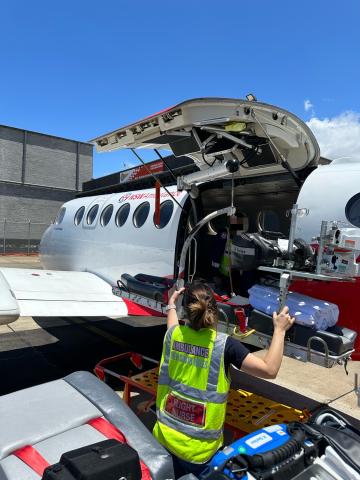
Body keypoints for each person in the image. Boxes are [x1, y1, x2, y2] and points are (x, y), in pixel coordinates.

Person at [153, 280, 295, 478]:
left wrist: (171, 304)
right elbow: (269, 370)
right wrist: (279, 330)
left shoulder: (173, 336)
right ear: (215, 311)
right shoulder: (223, 346)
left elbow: (172, 322)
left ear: (185, 311)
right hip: (198, 454)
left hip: (164, 438)